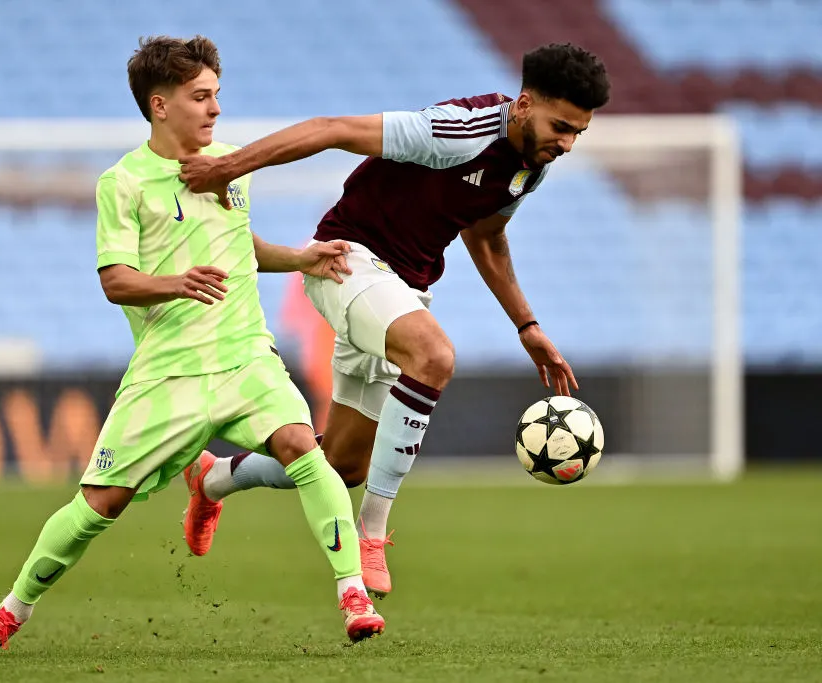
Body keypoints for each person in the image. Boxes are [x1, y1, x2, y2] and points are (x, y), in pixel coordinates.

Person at [0, 35, 386, 658]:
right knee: (97, 507)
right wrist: (175, 283)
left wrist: (299, 258)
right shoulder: (124, 183)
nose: (214, 109)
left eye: (217, 96)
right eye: (200, 97)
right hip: (169, 374)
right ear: (160, 105)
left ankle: (352, 595)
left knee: (303, 447)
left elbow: (238, 244)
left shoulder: (232, 166)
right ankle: (7, 614)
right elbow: (115, 281)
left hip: (244, 355)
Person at [178, 43, 611, 599]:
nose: (567, 144)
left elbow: (487, 235)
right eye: (561, 126)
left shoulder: (531, 166)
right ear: (525, 104)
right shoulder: (456, 130)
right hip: (344, 258)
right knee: (433, 356)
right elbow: (331, 127)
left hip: (401, 287)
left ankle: (212, 478)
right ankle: (372, 536)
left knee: (341, 464)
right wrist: (226, 167)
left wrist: (527, 327)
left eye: (578, 132)